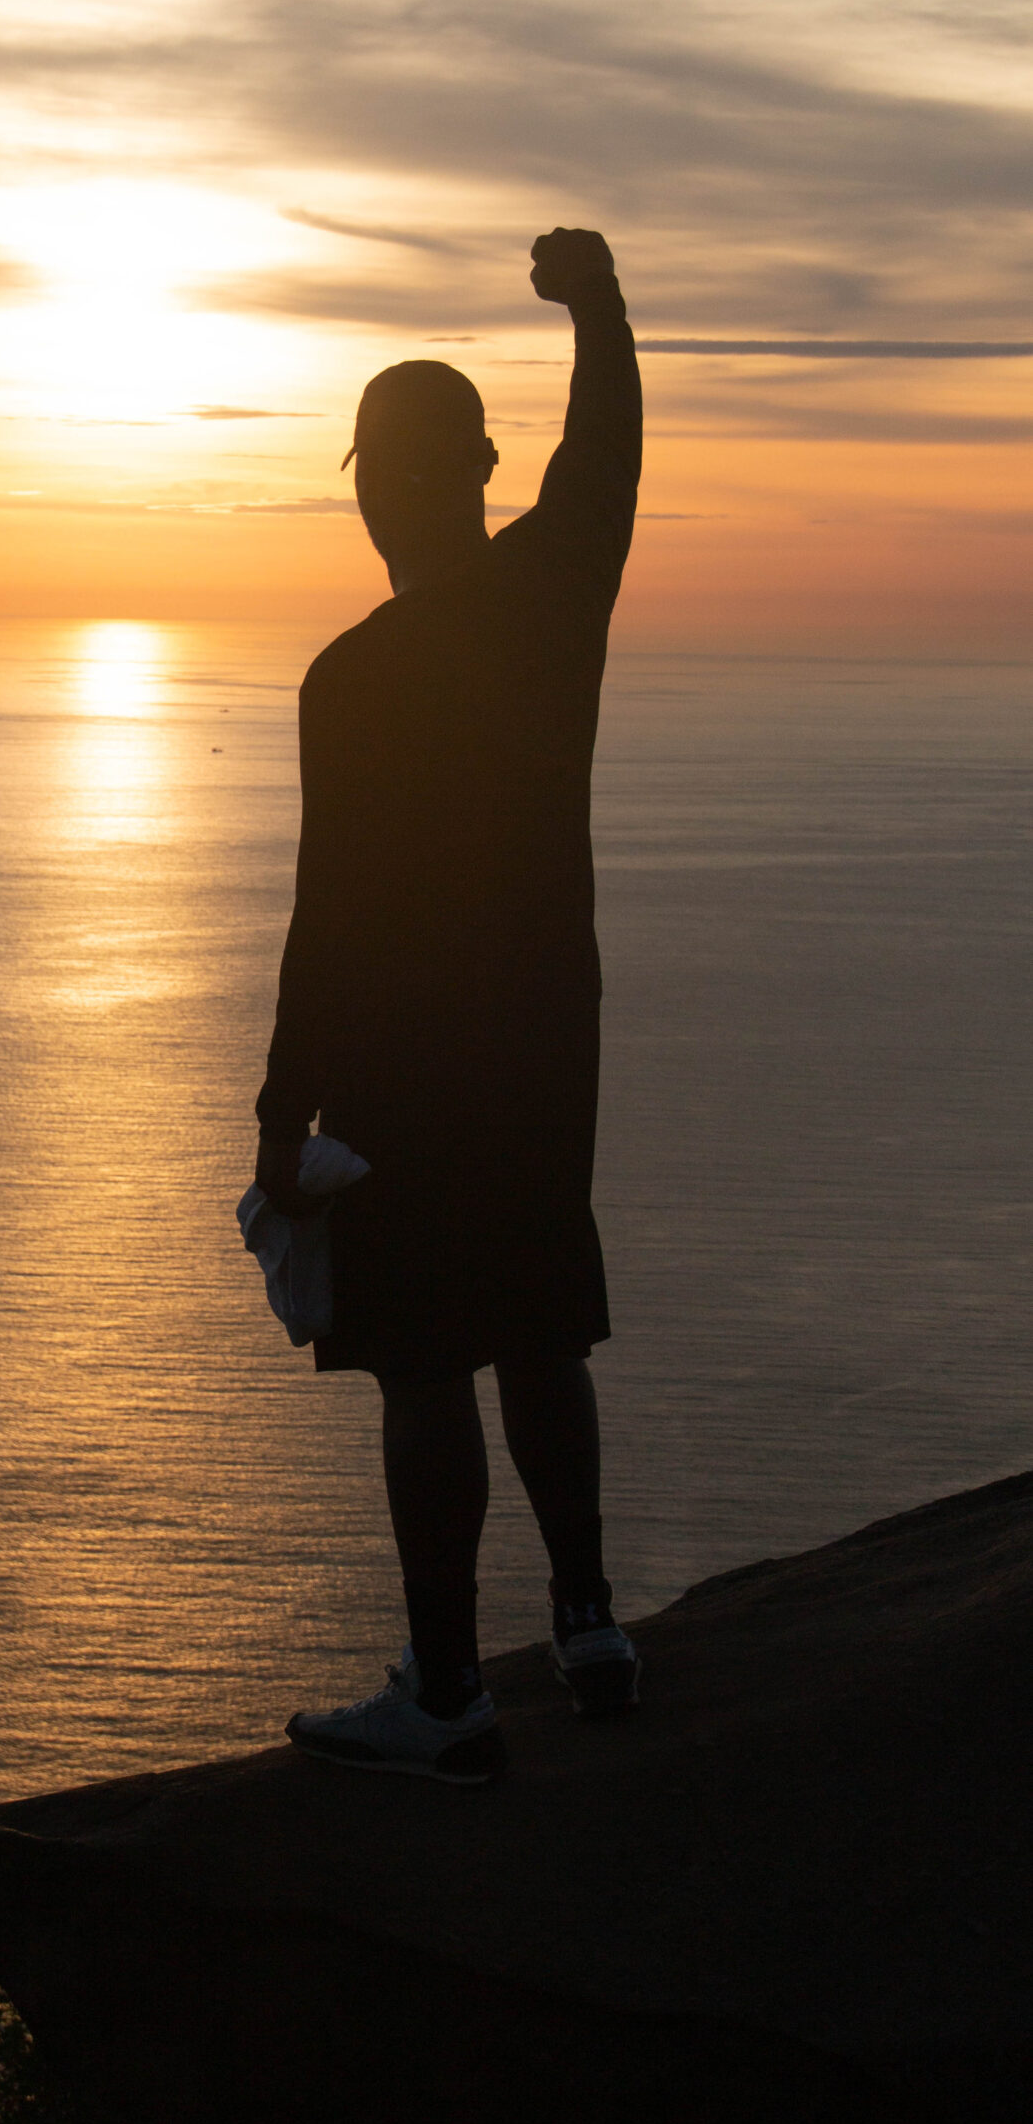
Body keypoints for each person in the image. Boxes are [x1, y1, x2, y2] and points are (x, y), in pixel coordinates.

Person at [256, 226, 643, 1784]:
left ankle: (447, 1692)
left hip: (412, 1066)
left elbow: (328, 917)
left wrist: (286, 1115)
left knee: (426, 1367)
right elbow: (605, 450)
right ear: (482, 467)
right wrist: (598, 309)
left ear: (372, 482)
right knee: (541, 1329)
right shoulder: (553, 599)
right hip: (551, 1042)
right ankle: (591, 1626)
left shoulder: (353, 678)